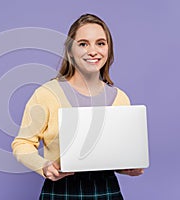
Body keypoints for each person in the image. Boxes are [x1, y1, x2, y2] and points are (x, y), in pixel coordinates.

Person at [12, 13, 144, 200]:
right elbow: (22, 143)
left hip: (106, 189)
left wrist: (128, 168)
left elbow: (114, 154)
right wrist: (43, 165)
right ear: (70, 51)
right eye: (83, 44)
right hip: (61, 190)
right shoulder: (47, 94)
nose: (93, 51)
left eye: (100, 43)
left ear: (109, 49)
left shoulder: (119, 98)